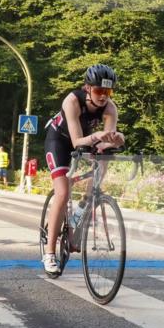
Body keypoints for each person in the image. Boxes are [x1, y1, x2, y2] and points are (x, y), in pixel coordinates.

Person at [42, 64, 125, 275]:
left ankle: (85, 203)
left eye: (108, 92)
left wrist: (116, 140)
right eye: (99, 91)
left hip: (84, 139)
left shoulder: (110, 108)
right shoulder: (72, 101)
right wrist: (98, 137)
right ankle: (50, 252)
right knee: (62, 192)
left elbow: (106, 140)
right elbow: (78, 140)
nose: (104, 96)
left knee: (104, 157)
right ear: (87, 88)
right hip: (59, 141)